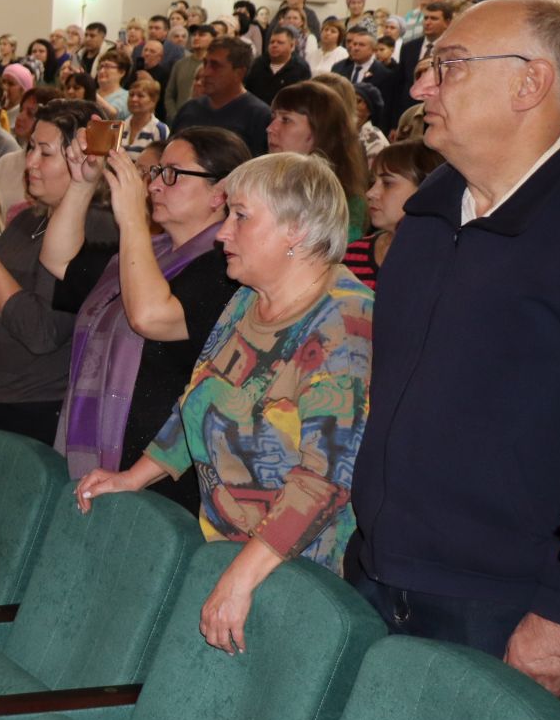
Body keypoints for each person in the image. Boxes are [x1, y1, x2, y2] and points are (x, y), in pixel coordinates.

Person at [347, 0, 560, 686]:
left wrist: (559, 608)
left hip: (502, 601)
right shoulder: (429, 215)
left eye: (448, 66)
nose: (419, 87)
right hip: (382, 567)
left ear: (530, 83)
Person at [76, 152, 373, 651]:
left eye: (241, 216)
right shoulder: (248, 299)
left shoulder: (343, 323)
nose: (221, 233)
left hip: (293, 576)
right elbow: (201, 397)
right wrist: (134, 476)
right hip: (226, 554)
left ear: (295, 230)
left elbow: (325, 480)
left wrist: (241, 577)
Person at [44, 128, 251, 511]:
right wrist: (81, 185)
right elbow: (58, 260)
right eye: (155, 173)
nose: (155, 185)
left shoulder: (226, 268)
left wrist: (132, 221)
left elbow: (149, 317)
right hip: (112, 458)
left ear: (219, 192)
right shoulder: (148, 249)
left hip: (162, 475)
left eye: (172, 174)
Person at [0, 101, 116, 443]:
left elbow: (42, 332)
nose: (29, 161)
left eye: (45, 153)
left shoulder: (96, 229)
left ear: (82, 160)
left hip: (32, 409)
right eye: (30, 147)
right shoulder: (26, 220)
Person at [267, 80, 371, 277]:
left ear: (319, 131)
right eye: (273, 117)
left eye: (286, 119)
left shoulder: (347, 205)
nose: (270, 128)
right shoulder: (263, 186)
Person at [171, 38, 272, 155]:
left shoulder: (259, 116)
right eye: (205, 64)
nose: (205, 73)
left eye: (215, 66)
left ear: (239, 73)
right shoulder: (189, 109)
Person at [356, 140, 441, 275]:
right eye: (373, 182)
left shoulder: (441, 263)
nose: (370, 193)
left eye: (387, 183)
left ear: (425, 189)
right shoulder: (352, 254)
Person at [331, 30, 402, 129]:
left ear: (373, 49)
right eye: (354, 44)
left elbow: (386, 108)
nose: (355, 48)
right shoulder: (338, 68)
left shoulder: (384, 74)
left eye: (361, 45)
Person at [245, 26, 313, 104]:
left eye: (280, 43)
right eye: (272, 42)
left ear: (292, 46)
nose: (274, 45)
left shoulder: (301, 68)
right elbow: (248, 91)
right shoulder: (258, 64)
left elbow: (304, 99)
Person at [120, 77, 171, 155]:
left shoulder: (160, 130)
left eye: (140, 96)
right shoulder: (120, 127)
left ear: (153, 101)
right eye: (131, 95)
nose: (134, 99)